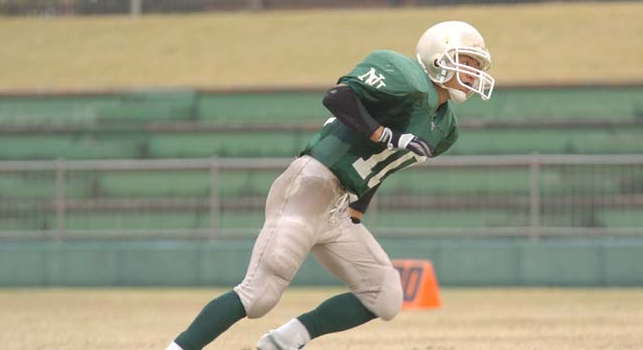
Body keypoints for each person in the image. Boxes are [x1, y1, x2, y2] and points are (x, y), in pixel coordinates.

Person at [164, 20, 495, 350]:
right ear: (437, 59)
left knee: (384, 294)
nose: (473, 74)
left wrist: (358, 210)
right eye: (465, 62)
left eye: (477, 66)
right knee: (258, 296)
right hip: (310, 186)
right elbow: (339, 96)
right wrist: (385, 134)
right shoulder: (406, 78)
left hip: (339, 206)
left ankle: (284, 341)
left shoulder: (445, 128)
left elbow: (383, 165)